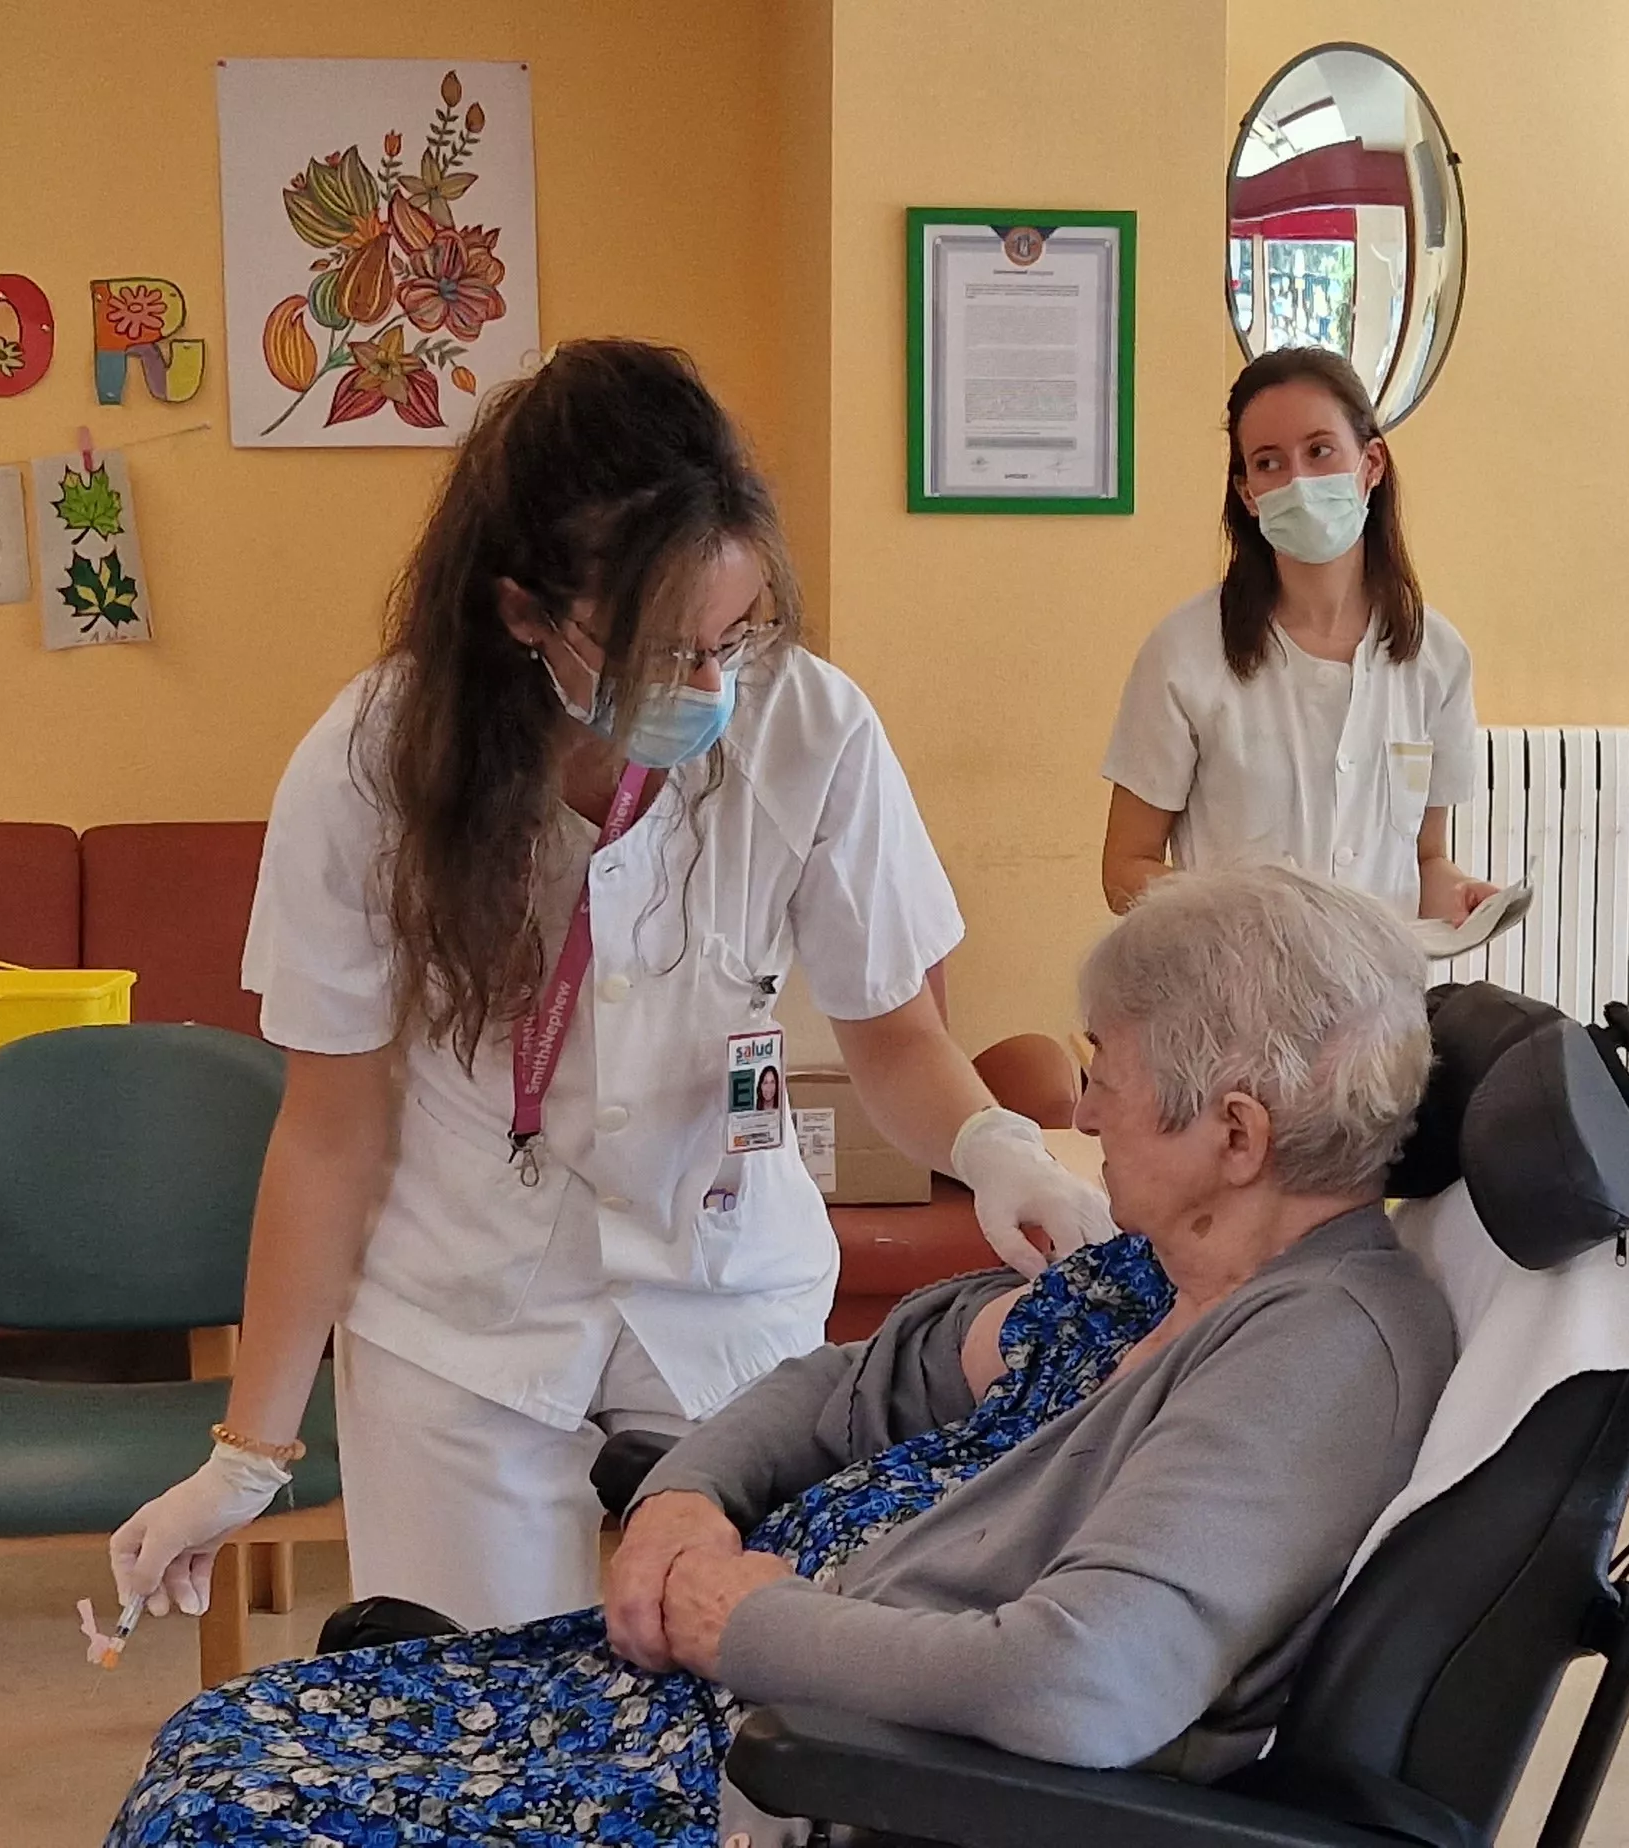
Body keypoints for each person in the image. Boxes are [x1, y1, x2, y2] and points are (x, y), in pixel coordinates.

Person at [108, 863, 1456, 1848]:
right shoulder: (1146, 1271)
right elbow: (858, 1381)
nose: (1084, 1108)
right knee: (226, 1743)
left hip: (790, 1775)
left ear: (1236, 1135)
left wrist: (744, 1623)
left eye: (1107, 1070)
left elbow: (1083, 1682)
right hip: (703, 1699)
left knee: (228, 1800)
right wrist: (687, 1495)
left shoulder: (1312, 1353)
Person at [108, 339, 1114, 1634]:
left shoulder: (810, 726)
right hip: (462, 1310)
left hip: (725, 1278)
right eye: (658, 651)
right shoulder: (369, 765)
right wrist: (248, 1456)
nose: (708, 689)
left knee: (739, 1685)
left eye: (733, 638)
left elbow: (896, 1034)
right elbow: (328, 1132)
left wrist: (997, 1151)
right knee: (468, 1703)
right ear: (523, 611)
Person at [1101, 348, 1494, 927]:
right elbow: (1124, 870)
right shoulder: (1184, 653)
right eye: (1269, 463)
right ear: (1248, 494)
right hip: (1231, 977)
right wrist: (1243, 916)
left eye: (1319, 451)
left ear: (1372, 463)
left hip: (1380, 980)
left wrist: (1460, 896)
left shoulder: (1436, 656)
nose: (1299, 482)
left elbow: (1425, 860)